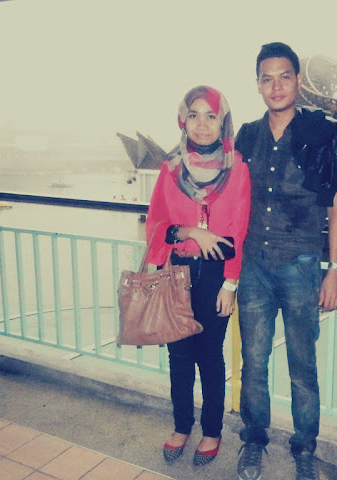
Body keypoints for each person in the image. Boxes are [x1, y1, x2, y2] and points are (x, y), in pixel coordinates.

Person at [235, 42, 337, 480]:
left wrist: (334, 271)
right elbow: (222, 184)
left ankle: (304, 449)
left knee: (302, 367)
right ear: (258, 85)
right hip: (253, 267)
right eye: (267, 78)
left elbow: (336, 208)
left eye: (285, 76)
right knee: (253, 363)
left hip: (301, 265)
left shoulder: (321, 135)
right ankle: (254, 440)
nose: (276, 86)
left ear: (298, 81)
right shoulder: (246, 136)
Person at [145, 85, 250, 466]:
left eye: (211, 116)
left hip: (217, 276)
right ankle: (181, 425)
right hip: (177, 272)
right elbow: (156, 224)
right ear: (182, 121)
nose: (202, 124)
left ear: (223, 122)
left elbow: (239, 231)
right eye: (194, 115)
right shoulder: (170, 170)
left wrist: (230, 284)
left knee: (209, 356)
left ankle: (212, 430)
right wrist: (191, 232)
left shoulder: (238, 169)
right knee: (178, 355)